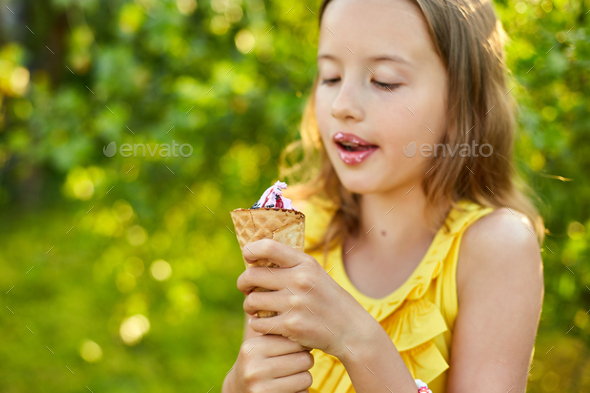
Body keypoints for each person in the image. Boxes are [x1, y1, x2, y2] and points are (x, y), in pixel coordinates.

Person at [223, 0, 545, 392]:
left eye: (385, 81)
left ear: (463, 102)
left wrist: (358, 341)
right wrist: (239, 385)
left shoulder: (497, 248)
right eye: (329, 77)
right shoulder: (294, 230)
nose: (343, 106)